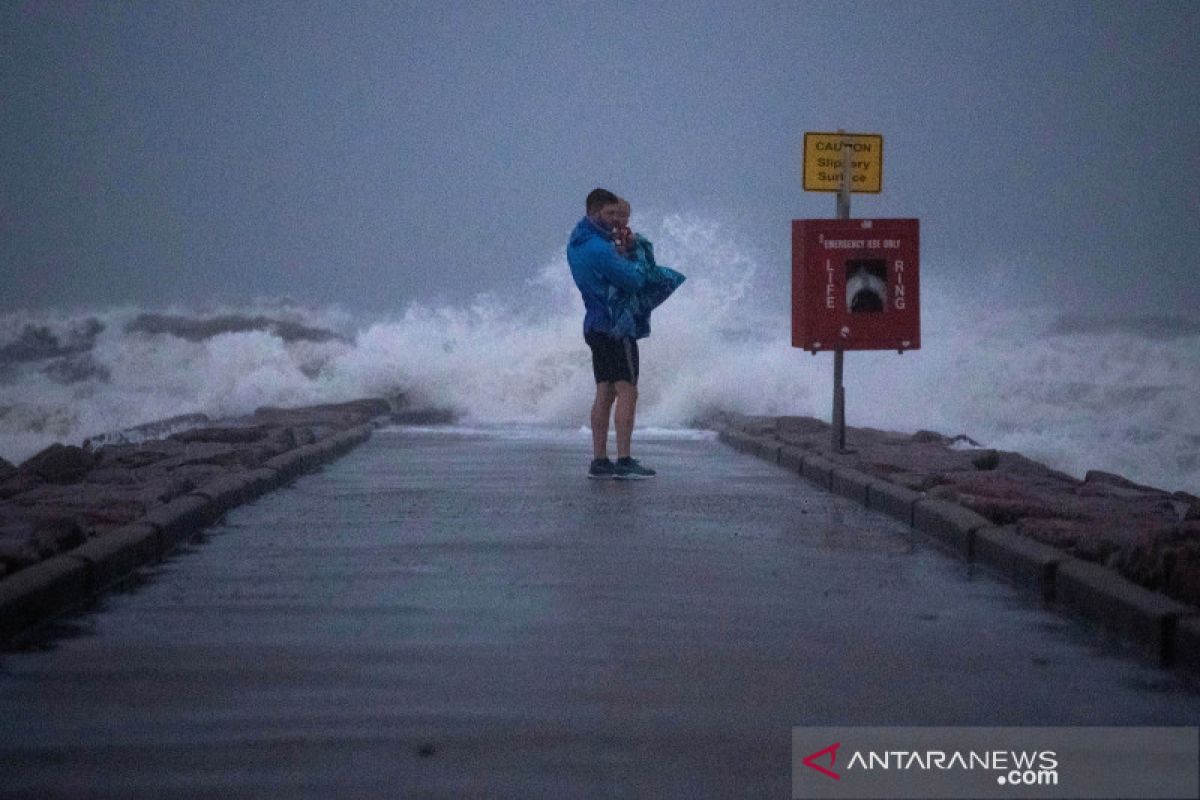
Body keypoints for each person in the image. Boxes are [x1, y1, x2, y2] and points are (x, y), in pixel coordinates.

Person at [566, 188, 656, 480]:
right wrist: (635, 256)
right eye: (609, 214)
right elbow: (634, 280)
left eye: (619, 214)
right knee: (627, 390)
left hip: (594, 325)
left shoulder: (577, 243)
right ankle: (625, 459)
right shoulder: (599, 248)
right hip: (616, 326)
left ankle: (600, 460)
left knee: (605, 391)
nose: (615, 219)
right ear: (594, 213)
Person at [606, 198, 685, 341]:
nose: (619, 219)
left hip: (632, 281)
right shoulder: (605, 235)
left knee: (630, 321)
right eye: (616, 214)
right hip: (616, 285)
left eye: (624, 216)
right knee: (618, 320)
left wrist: (633, 246)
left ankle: (625, 336)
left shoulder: (631, 236)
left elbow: (647, 259)